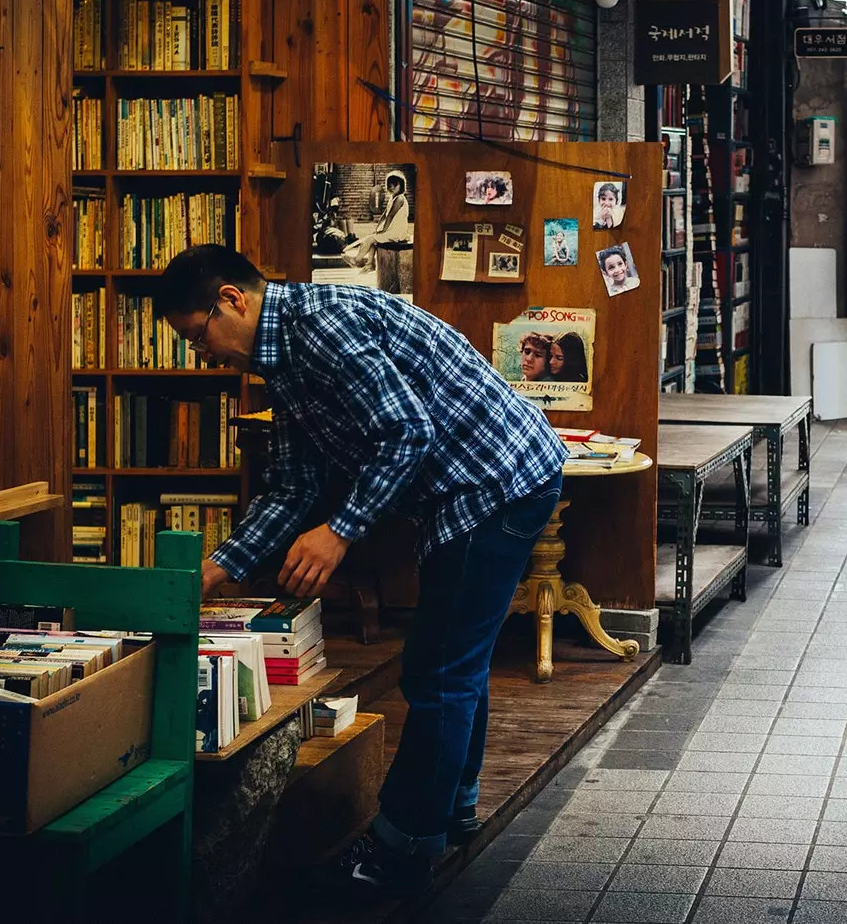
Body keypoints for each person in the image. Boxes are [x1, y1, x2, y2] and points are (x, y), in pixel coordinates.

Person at [155, 245, 566, 898]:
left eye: (197, 336)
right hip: (467, 488)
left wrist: (339, 531)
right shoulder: (280, 361)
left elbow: (407, 432)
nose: (203, 355)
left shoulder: (322, 327)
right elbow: (291, 485)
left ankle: (401, 849)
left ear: (232, 300)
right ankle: (451, 807)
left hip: (495, 482)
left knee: (436, 671)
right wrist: (218, 567)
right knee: (456, 656)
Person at [346, 172, 414, 271]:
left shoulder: (400, 199)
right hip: (392, 230)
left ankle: (356, 260)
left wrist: (383, 230)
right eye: (389, 186)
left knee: (368, 240)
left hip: (397, 232)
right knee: (373, 241)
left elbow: (390, 216)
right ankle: (370, 264)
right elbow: (384, 216)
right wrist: (377, 229)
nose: (390, 189)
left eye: (393, 186)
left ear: (399, 185)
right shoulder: (393, 198)